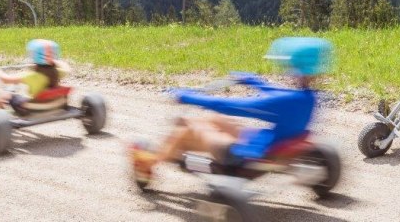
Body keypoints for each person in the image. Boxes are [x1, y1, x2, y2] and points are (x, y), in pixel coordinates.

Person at [130, 37, 333, 186]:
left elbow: (230, 105)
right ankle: (169, 152)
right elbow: (279, 94)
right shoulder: (309, 97)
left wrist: (186, 96)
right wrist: (253, 80)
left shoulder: (287, 100)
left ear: (294, 65)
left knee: (188, 126)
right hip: (269, 144)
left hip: (246, 159)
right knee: (214, 119)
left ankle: (151, 161)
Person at [0, 39, 70, 113]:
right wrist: (53, 60)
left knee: (5, 95)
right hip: (55, 106)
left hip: (33, 110)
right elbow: (67, 67)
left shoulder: (30, 75)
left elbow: (5, 79)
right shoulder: (59, 71)